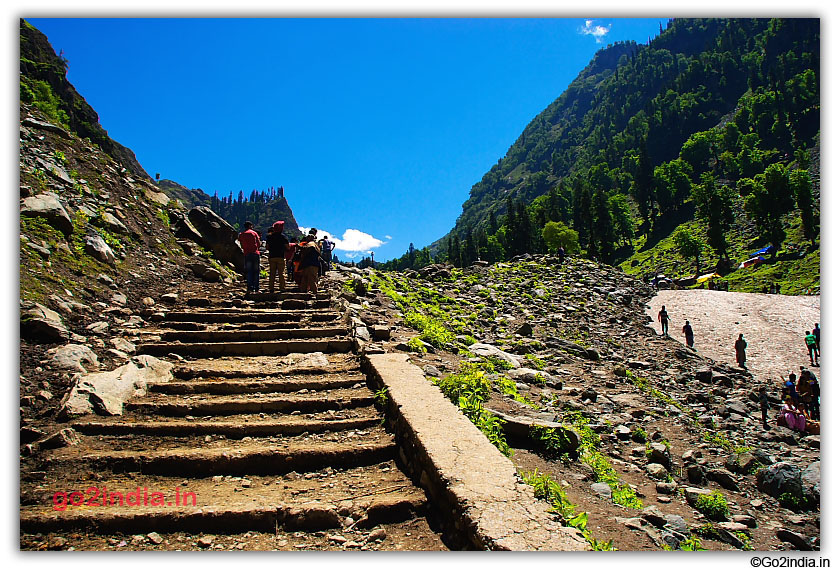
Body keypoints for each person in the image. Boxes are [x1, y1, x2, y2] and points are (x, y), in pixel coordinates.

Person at [237, 221, 261, 293]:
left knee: (249, 271)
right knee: (256, 271)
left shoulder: (241, 234)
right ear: (250, 226)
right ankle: (256, 288)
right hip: (255, 253)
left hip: (247, 254)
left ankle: (250, 288)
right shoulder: (254, 233)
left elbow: (241, 245)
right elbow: (258, 244)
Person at [266, 221, 289, 294]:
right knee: (281, 273)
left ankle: (271, 288)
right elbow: (287, 247)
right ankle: (282, 288)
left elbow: (267, 247)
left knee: (272, 273)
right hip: (281, 256)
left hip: (272, 256)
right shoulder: (283, 237)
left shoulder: (269, 237)